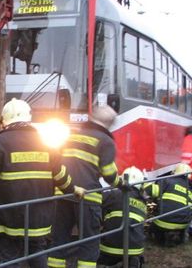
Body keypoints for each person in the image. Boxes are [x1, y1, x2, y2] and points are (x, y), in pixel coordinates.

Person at [0, 98, 84, 268]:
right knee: (37, 254)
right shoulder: (46, 141)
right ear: (29, 117)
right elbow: (60, 175)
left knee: (11, 259)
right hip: (38, 218)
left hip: (9, 218)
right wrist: (74, 189)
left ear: (4, 120)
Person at [48, 105, 122, 268]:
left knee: (59, 238)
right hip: (88, 196)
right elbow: (109, 174)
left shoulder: (74, 135)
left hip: (63, 193)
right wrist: (122, 184)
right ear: (109, 123)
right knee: (89, 241)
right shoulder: (105, 141)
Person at [98, 167, 147, 268]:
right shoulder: (143, 203)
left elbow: (95, 201)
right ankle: (132, 261)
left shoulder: (113, 194)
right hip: (135, 249)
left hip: (109, 249)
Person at [144, 163, 192, 247]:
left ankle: (156, 237)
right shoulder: (190, 190)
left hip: (163, 222)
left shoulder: (167, 181)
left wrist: (145, 179)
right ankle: (178, 238)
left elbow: (151, 191)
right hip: (183, 224)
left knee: (151, 205)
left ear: (175, 172)